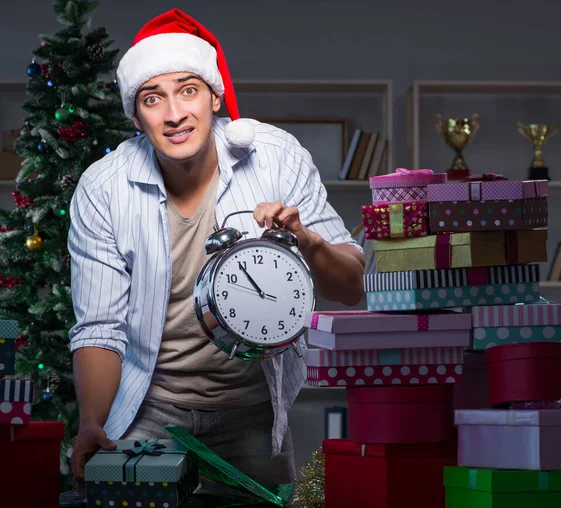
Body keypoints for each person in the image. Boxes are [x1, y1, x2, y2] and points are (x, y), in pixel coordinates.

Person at [68, 8, 365, 493]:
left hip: (256, 410)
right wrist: (91, 423)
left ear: (214, 97)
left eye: (188, 90)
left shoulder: (276, 157)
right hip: (149, 408)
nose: (173, 114)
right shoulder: (104, 188)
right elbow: (101, 327)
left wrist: (307, 240)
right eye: (152, 98)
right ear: (136, 117)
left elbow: (351, 286)